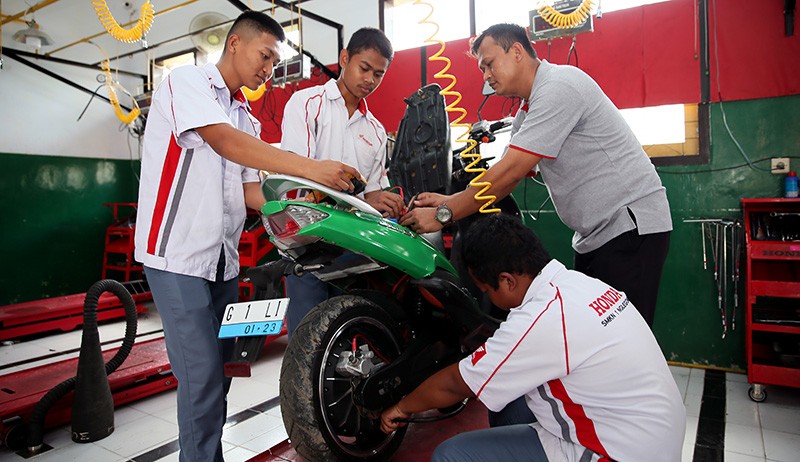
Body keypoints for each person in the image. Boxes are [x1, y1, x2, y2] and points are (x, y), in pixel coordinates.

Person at [134, 11, 362, 462]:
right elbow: (222, 141)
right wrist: (312, 167)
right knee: (199, 375)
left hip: (220, 261)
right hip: (174, 257)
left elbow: (249, 192)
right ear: (234, 43)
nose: (269, 69)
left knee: (219, 374)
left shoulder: (247, 119)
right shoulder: (188, 83)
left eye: (276, 63)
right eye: (266, 55)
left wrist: (311, 212)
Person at [400, 23, 672, 327]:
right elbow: (506, 176)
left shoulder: (560, 86)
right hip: (595, 236)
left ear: (517, 51)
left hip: (627, 226)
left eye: (489, 64)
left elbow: (510, 171)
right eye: (482, 69)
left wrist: (443, 214)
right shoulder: (527, 113)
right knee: (593, 334)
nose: (486, 76)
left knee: (619, 335)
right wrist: (450, 198)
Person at [380, 214, 685, 462]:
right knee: (506, 401)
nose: (487, 297)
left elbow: (455, 384)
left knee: (451, 455)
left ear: (508, 281)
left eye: (486, 291)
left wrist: (401, 407)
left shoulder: (543, 317)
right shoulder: (579, 285)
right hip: (656, 440)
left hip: (616, 454)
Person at [280, 27, 404, 336]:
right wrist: (363, 199)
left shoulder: (375, 131)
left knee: (347, 337)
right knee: (307, 339)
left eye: (379, 74)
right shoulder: (306, 104)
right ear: (344, 58)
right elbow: (297, 179)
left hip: (353, 252)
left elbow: (374, 192)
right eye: (364, 68)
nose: (370, 80)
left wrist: (385, 202)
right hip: (307, 246)